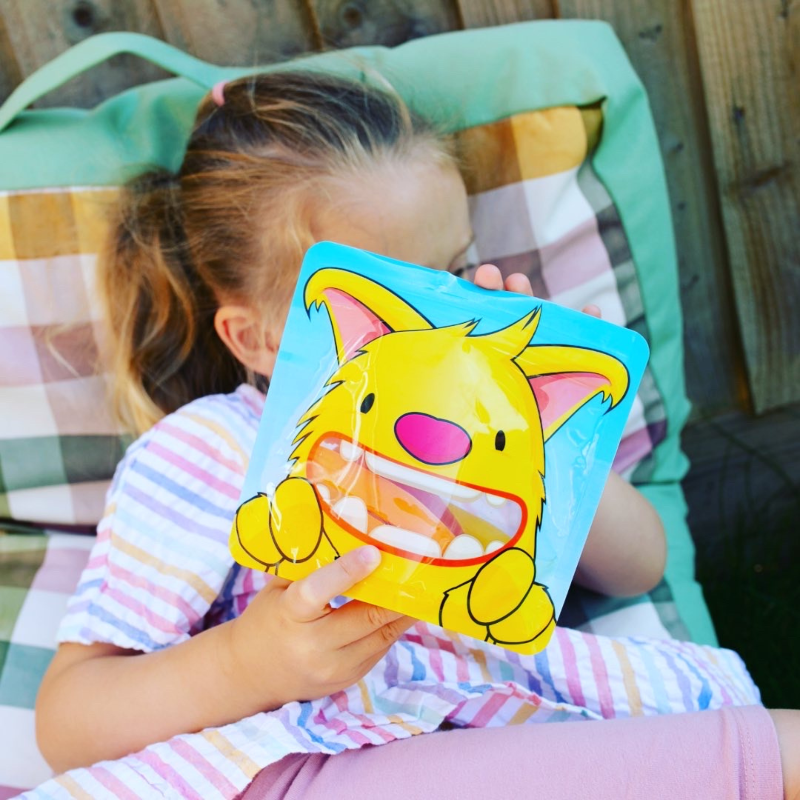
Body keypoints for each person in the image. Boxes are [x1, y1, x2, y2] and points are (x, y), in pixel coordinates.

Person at [30, 72, 797, 800]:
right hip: (294, 762)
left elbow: (639, 568)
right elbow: (68, 721)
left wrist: (551, 436)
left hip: (476, 735)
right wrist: (249, 662)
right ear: (258, 338)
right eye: (399, 295)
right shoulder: (207, 449)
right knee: (774, 759)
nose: (452, 312)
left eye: (456, 271)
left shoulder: (500, 430)